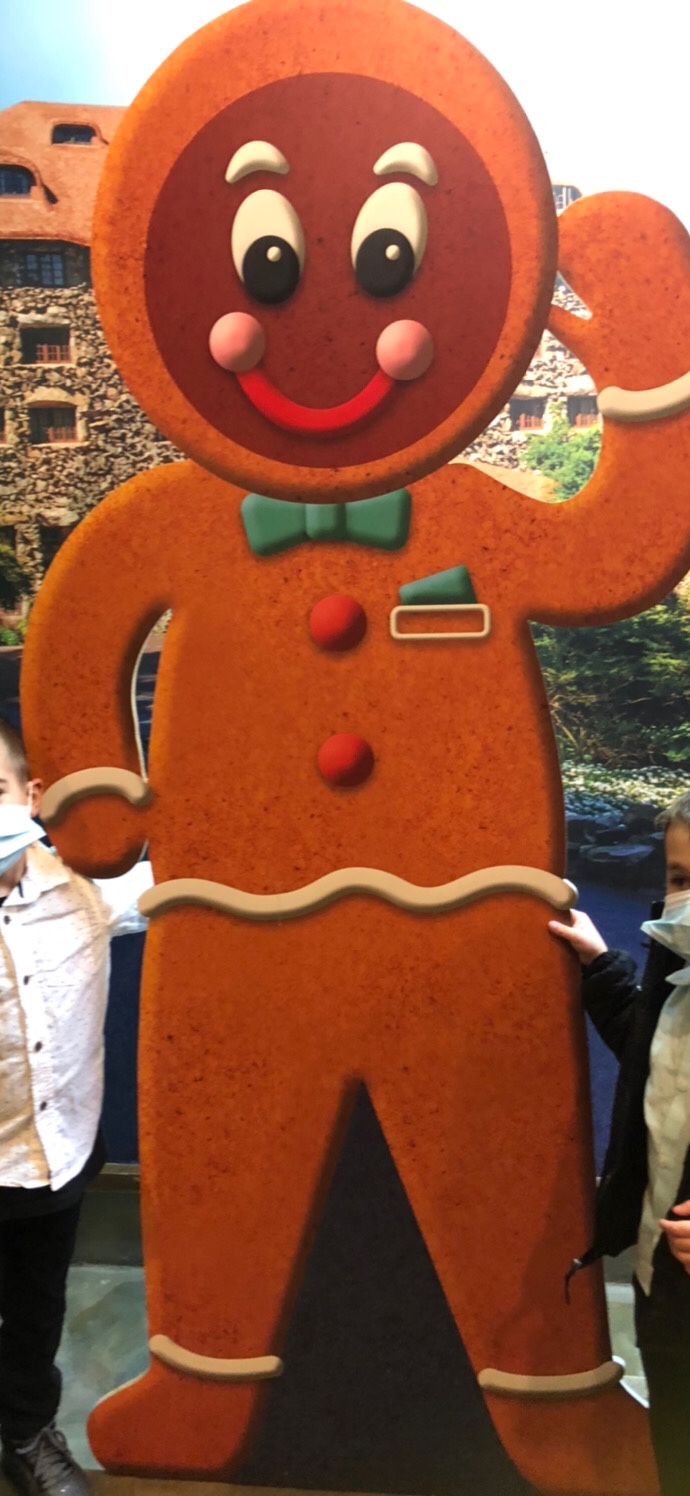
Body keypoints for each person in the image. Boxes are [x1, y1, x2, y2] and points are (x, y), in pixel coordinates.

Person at [0, 718, 150, 1496]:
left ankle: (25, 1431)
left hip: (53, 1155)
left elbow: (198, 880)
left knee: (35, 1307)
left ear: (29, 797)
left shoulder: (85, 891)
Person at [550, 791, 690, 1496]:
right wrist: (601, 963)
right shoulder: (676, 978)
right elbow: (648, 1061)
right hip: (668, 1285)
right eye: (681, 877)